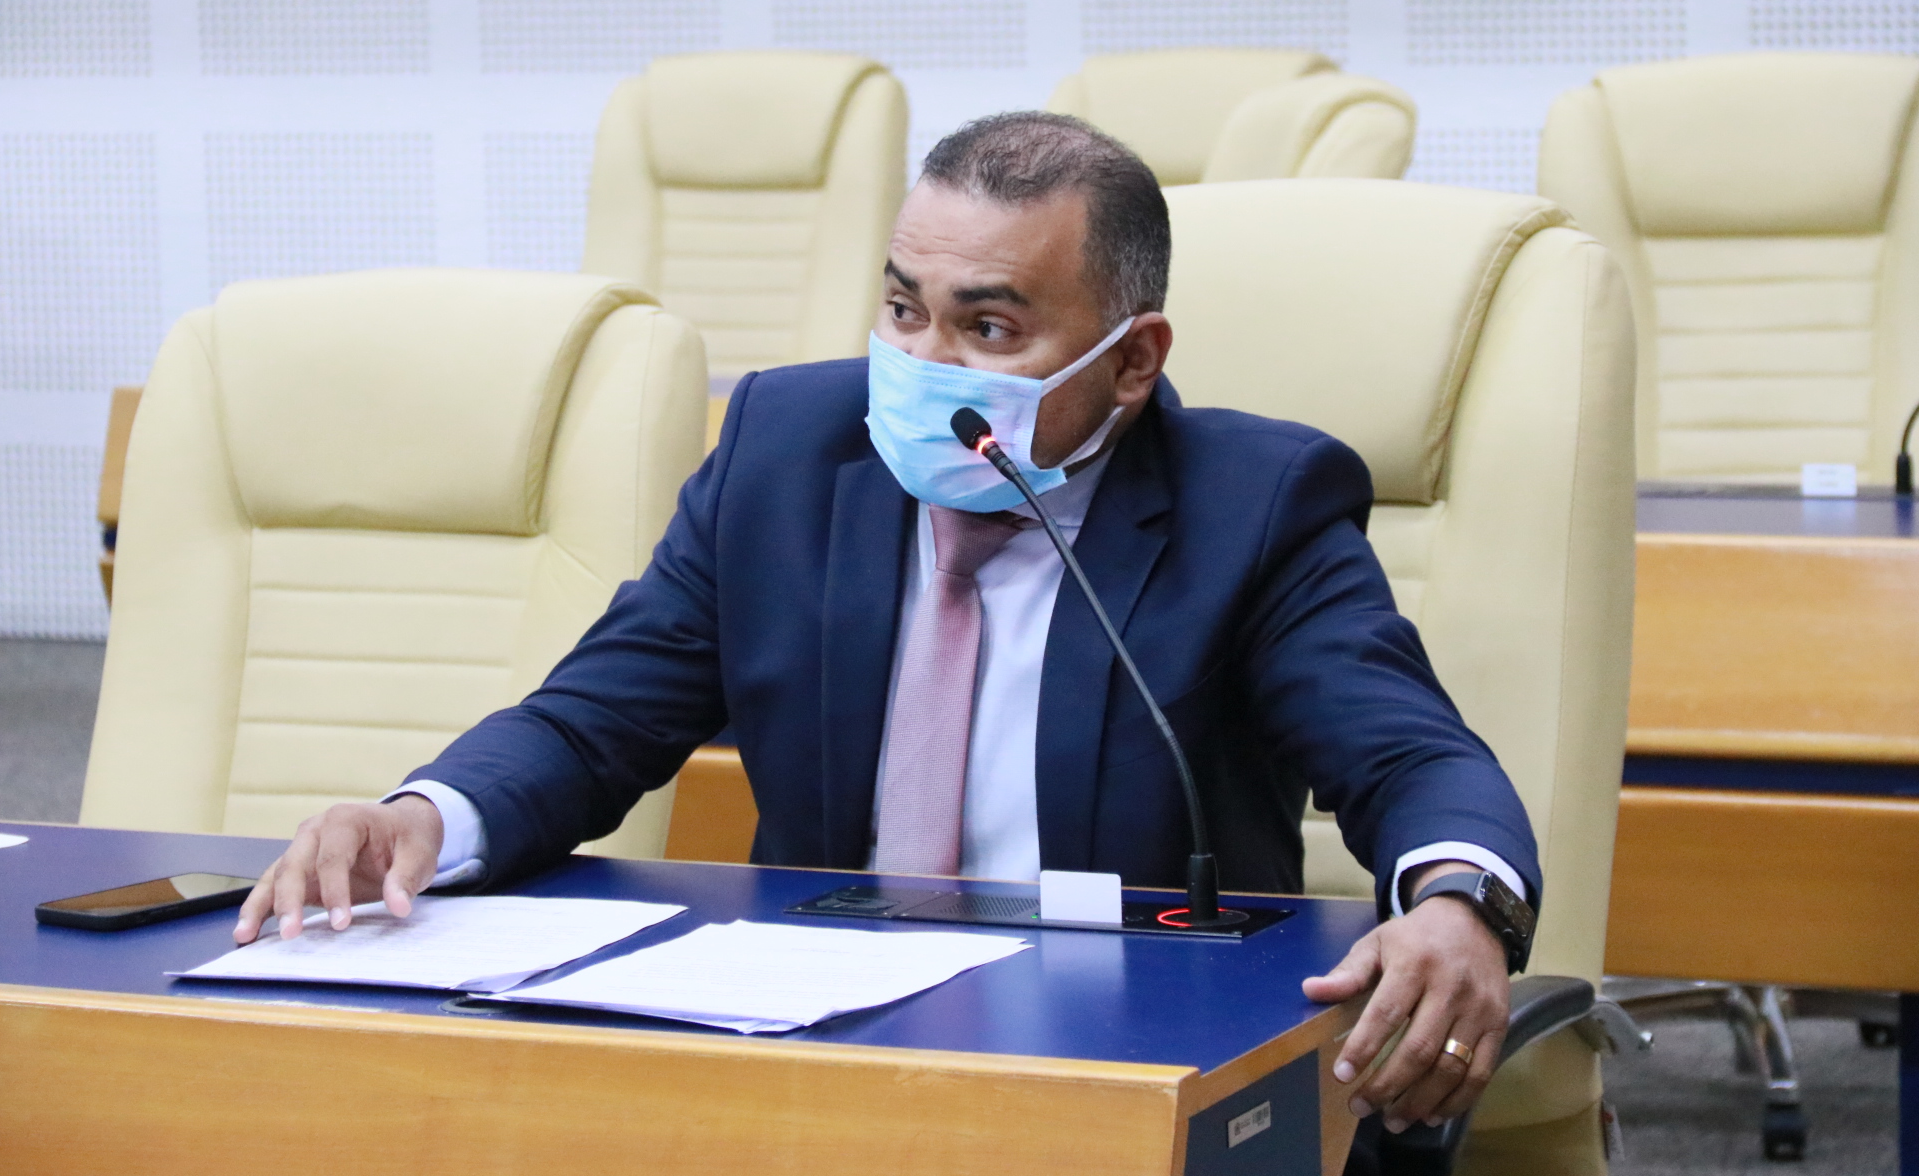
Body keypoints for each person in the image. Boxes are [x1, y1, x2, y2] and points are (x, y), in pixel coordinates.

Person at [236, 112, 1539, 1141]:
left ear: (1134, 360)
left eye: (990, 326)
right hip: (804, 1054)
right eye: (904, 309)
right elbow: (594, 721)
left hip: (1121, 1061)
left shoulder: (1253, 504)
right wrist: (426, 816)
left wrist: (1460, 906)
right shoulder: (784, 452)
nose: (923, 365)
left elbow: (1408, 757)